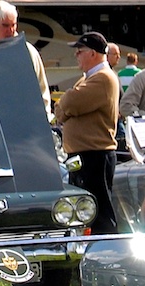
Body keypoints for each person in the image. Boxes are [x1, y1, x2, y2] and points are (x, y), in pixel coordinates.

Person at [54, 32, 120, 233]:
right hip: (84, 155)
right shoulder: (88, 79)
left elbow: (70, 103)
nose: (76, 56)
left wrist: (65, 104)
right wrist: (65, 105)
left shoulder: (103, 78)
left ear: (92, 53)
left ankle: (108, 253)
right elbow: (63, 108)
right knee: (84, 211)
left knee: (99, 211)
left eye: (80, 52)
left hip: (95, 155)